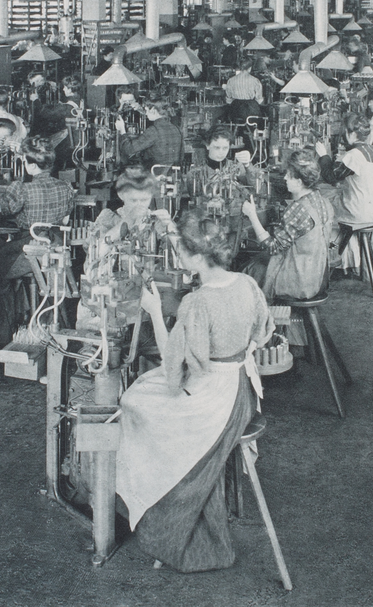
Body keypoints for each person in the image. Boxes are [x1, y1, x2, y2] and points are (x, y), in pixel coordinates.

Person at [117, 211, 271, 572]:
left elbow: (175, 370)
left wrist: (156, 311)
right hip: (243, 391)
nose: (178, 256)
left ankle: (153, 503)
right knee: (144, 391)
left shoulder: (198, 302)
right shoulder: (246, 283)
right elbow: (262, 333)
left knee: (133, 402)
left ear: (198, 257)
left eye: (182, 252)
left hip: (215, 404)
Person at [0, 136, 75, 345]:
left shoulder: (22, 188)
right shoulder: (65, 186)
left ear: (32, 165)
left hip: (31, 247)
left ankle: (1, 337)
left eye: (25, 161)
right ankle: (30, 317)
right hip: (56, 246)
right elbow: (65, 219)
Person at [242, 148, 337, 301]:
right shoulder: (324, 201)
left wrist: (252, 215)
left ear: (299, 182)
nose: (285, 178)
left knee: (249, 268)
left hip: (297, 283)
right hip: (318, 279)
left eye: (289, 175)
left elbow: (272, 247)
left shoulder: (297, 208)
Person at [316, 113, 373, 227]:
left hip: (358, 213)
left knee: (317, 202)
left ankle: (333, 237)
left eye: (345, 133)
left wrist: (324, 156)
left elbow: (331, 177)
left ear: (353, 134)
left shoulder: (353, 156)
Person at [93, 166, 174, 245]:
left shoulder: (155, 221)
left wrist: (170, 225)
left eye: (144, 200)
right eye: (134, 200)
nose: (139, 205)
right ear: (121, 195)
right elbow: (97, 249)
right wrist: (130, 219)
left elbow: (178, 250)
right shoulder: (108, 218)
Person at [117, 97, 183, 169]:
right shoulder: (176, 128)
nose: (146, 113)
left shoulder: (154, 130)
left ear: (153, 110)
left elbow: (129, 149)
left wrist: (122, 130)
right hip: (172, 172)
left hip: (154, 173)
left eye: (146, 110)